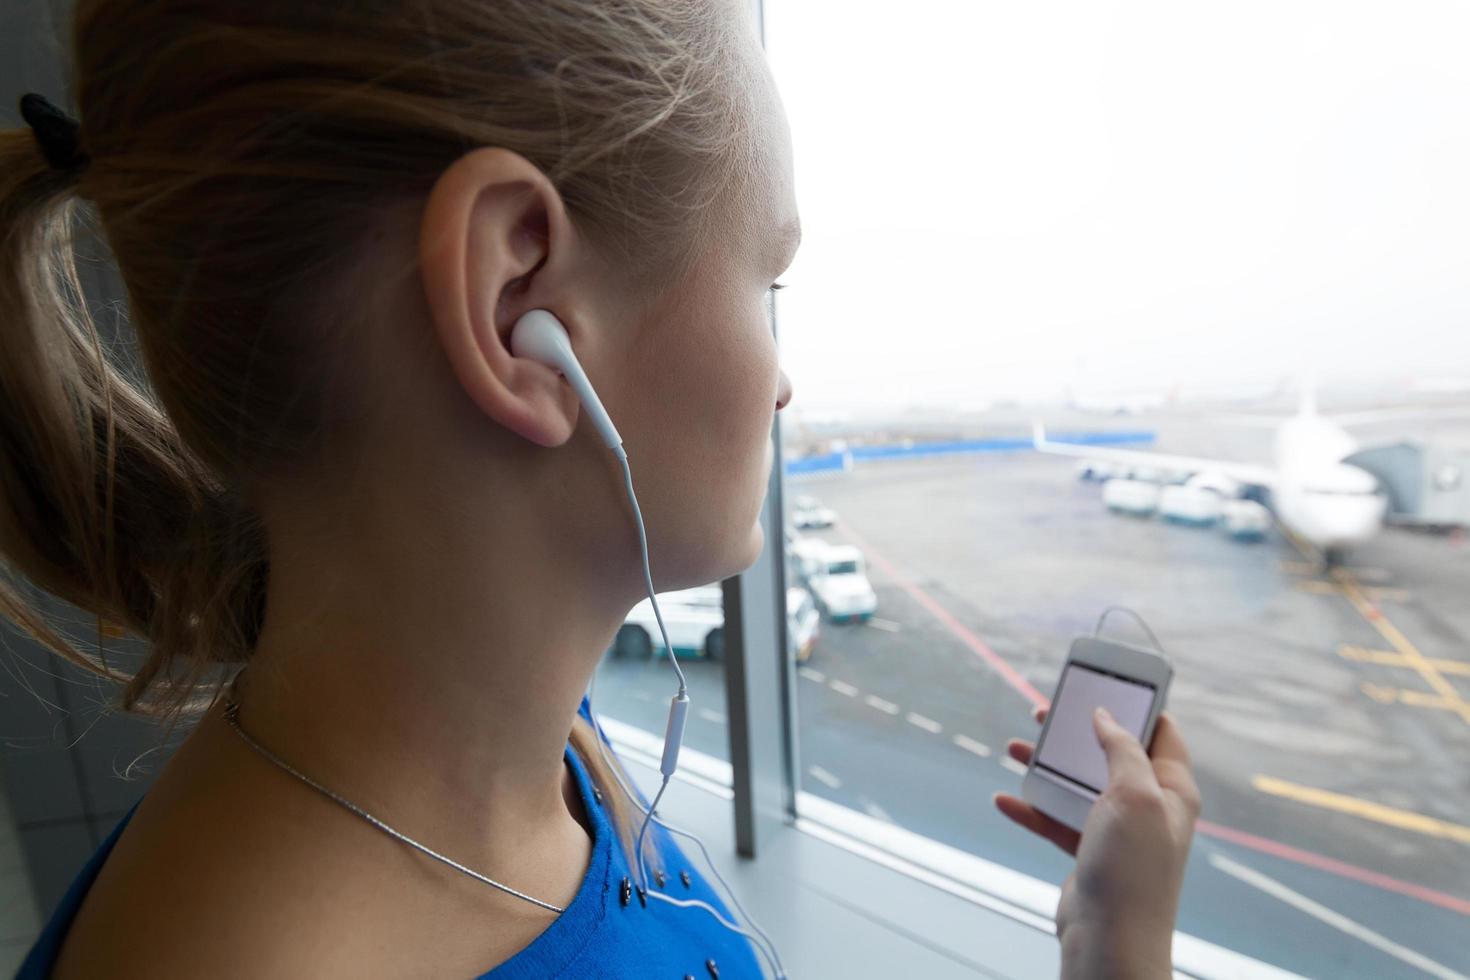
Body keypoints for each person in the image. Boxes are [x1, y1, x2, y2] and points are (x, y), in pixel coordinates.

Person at [0, 1, 1200, 977]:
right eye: (766, 280)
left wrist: (1102, 932)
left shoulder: (540, 757)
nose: (783, 383)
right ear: (518, 304)